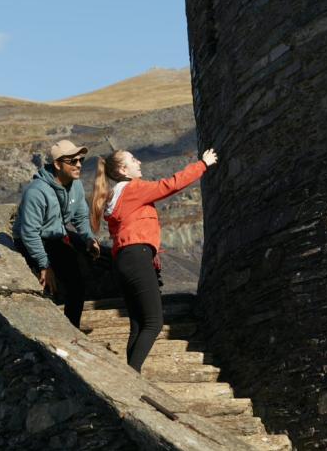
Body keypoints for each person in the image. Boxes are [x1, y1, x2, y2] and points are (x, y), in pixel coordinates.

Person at [90, 148, 218, 373]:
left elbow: (130, 229)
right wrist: (203, 164)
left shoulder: (114, 196)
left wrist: (151, 253)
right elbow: (170, 185)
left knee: (138, 324)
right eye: (133, 159)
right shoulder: (134, 189)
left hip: (123, 261)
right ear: (123, 170)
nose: (138, 162)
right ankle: (131, 376)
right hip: (137, 258)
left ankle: (132, 373)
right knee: (154, 323)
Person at [13, 139, 101, 328]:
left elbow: (80, 216)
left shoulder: (75, 185)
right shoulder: (36, 192)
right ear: (58, 164)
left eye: (80, 160)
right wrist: (44, 265)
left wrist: (88, 238)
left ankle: (72, 330)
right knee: (43, 288)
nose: (78, 165)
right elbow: (29, 233)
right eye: (72, 161)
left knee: (76, 283)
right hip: (31, 242)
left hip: (54, 238)